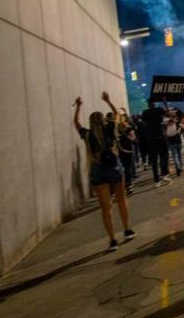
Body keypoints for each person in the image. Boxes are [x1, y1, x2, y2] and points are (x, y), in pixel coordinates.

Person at [74, 92, 135, 253]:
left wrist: (78, 106)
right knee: (121, 200)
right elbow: (115, 115)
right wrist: (108, 100)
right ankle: (127, 229)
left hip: (97, 170)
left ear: (91, 122)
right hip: (114, 166)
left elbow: (76, 122)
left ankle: (112, 240)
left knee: (106, 207)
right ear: (103, 120)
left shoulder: (86, 134)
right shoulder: (109, 129)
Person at [140, 101, 170, 186]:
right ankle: (164, 174)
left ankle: (156, 181)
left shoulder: (145, 112)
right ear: (155, 104)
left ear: (148, 105)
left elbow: (143, 122)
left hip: (151, 138)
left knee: (154, 160)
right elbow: (168, 114)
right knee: (164, 155)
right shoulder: (159, 109)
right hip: (160, 136)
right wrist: (165, 103)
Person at [117, 111, 138, 195]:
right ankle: (128, 185)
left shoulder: (115, 130)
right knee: (127, 168)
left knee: (121, 169)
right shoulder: (128, 128)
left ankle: (123, 185)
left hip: (118, 151)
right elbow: (134, 139)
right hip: (128, 150)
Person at [164, 109, 184, 177]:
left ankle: (178, 168)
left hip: (171, 143)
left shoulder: (165, 125)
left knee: (175, 156)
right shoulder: (177, 123)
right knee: (179, 155)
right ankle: (180, 167)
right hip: (178, 141)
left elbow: (165, 134)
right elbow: (183, 127)